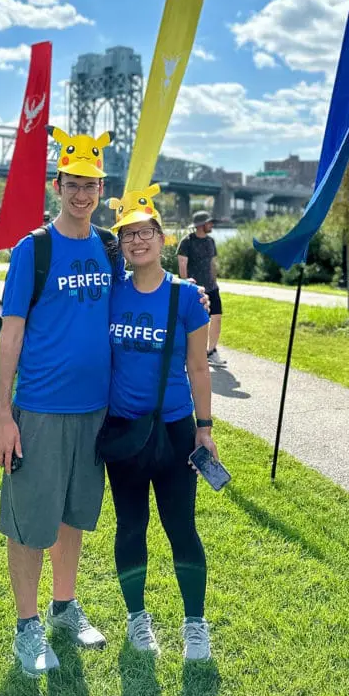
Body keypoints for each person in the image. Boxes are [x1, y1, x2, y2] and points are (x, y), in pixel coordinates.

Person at [0, 126, 117, 678]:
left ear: (100, 186)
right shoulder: (32, 250)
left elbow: (147, 293)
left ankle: (64, 607)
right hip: (39, 411)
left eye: (90, 184)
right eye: (73, 183)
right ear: (56, 184)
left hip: (95, 413)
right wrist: (3, 416)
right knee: (29, 524)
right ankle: (27, 625)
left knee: (73, 517)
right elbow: (10, 335)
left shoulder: (109, 246)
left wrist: (192, 297)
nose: (82, 194)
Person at [106, 186, 217, 661]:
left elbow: (198, 366)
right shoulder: (110, 294)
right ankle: (137, 620)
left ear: (162, 237)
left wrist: (205, 427)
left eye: (145, 233)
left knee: (181, 527)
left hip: (174, 430)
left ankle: (195, 624)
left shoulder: (186, 296)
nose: (137, 242)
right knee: (131, 527)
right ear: (122, 244)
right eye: (128, 235)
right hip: (124, 432)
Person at [177, 211, 223, 363]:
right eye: (209, 222)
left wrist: (215, 282)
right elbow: (182, 263)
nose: (212, 225)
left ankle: (211, 351)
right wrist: (185, 284)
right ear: (201, 225)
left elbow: (212, 263)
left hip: (211, 287)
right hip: (195, 288)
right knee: (193, 322)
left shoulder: (211, 241)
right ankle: (186, 352)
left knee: (217, 317)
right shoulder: (187, 241)